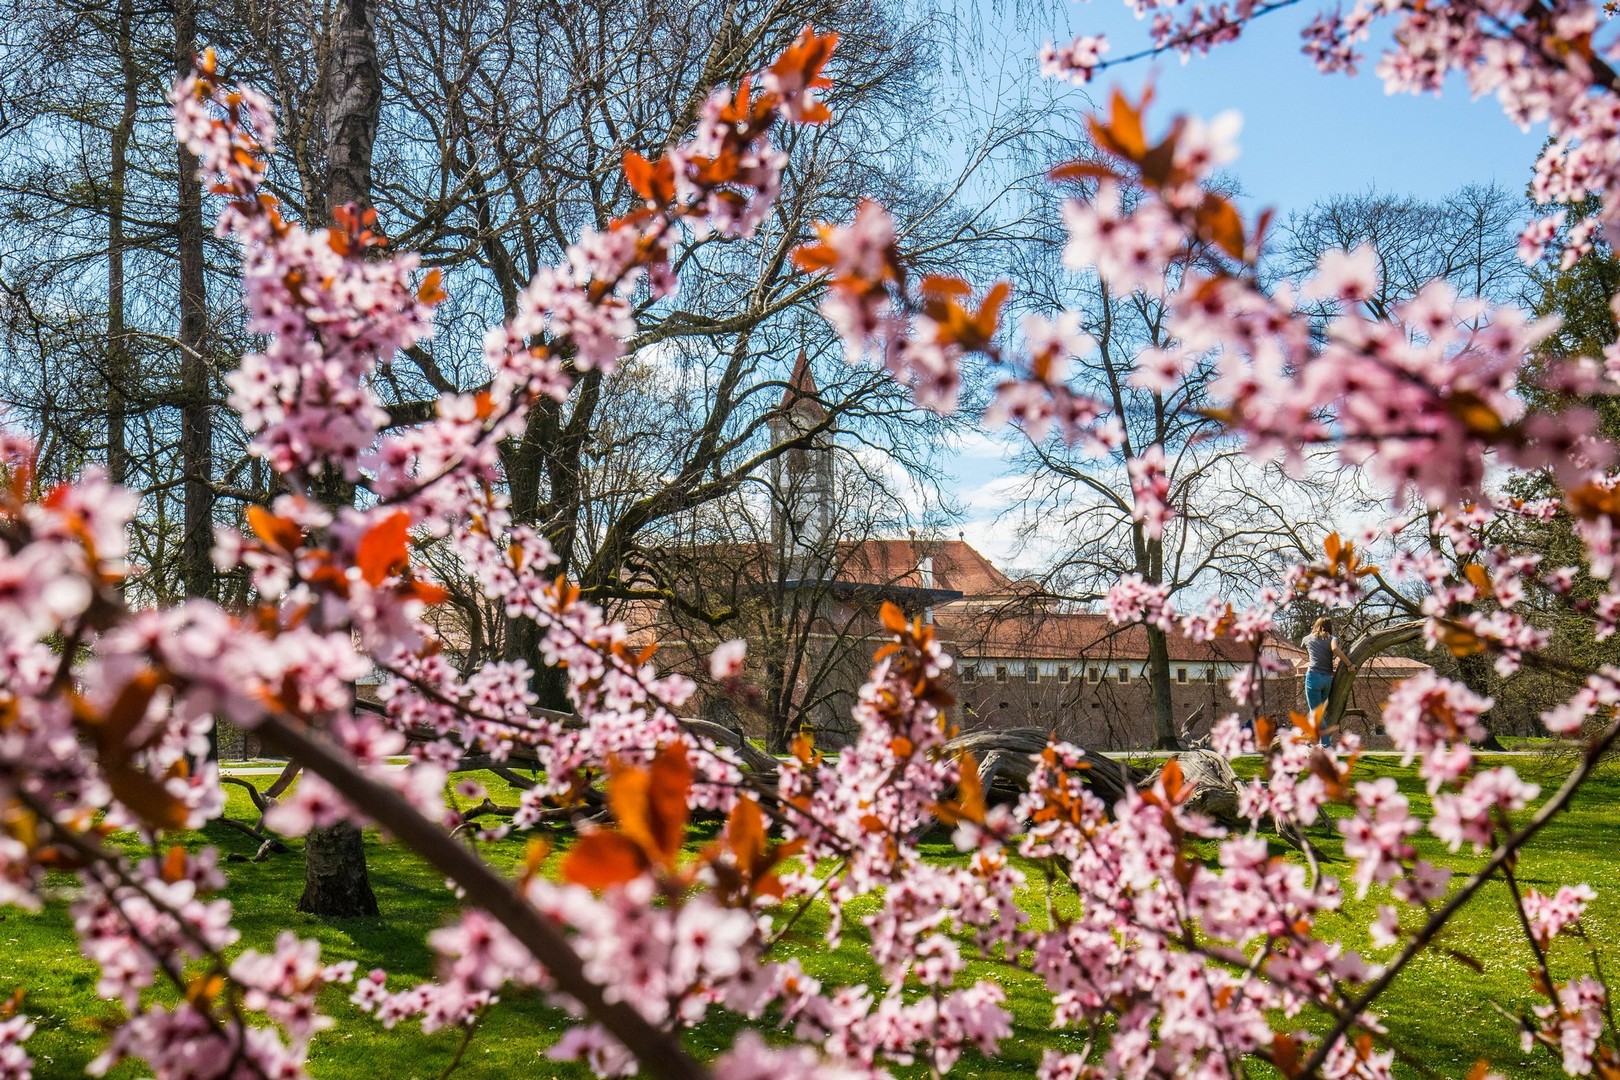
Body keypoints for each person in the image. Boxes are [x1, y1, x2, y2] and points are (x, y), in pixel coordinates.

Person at [1303, 616, 1351, 743]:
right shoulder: (1332, 638)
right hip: (1327, 680)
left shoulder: (1307, 639)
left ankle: (1325, 743)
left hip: (1313, 677)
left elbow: (1312, 654)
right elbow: (1334, 649)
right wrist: (1349, 664)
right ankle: (1308, 739)